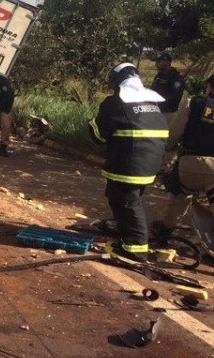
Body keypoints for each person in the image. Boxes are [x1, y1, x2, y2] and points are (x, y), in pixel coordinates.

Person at [89, 62, 168, 261]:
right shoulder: (151, 103)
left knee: (127, 202)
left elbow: (99, 136)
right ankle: (126, 236)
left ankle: (135, 249)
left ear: (116, 82)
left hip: (130, 162)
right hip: (150, 162)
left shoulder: (115, 102)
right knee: (121, 197)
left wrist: (92, 123)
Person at [158, 74, 214, 232]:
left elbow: (174, 133)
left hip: (191, 165)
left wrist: (169, 150)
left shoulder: (194, 103)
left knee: (181, 193)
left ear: (209, 87)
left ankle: (166, 229)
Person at [150, 52, 185, 118]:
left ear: (167, 62)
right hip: (155, 111)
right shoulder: (159, 76)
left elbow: (175, 97)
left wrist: (157, 98)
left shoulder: (176, 78)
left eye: (158, 61)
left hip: (168, 114)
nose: (156, 64)